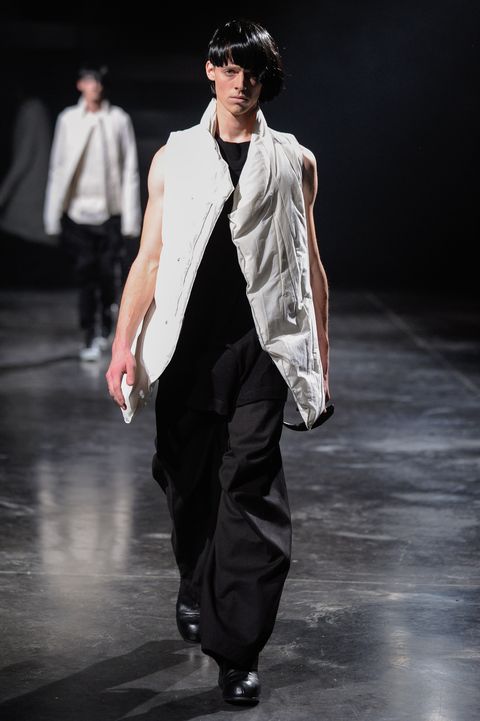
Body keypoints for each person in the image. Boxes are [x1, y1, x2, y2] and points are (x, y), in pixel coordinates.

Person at [106, 19, 330, 706]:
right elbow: (149, 258)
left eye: (252, 71)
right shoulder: (174, 157)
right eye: (229, 68)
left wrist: (320, 357)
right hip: (186, 349)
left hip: (262, 347)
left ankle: (238, 650)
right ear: (210, 70)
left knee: (251, 488)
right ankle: (196, 578)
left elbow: (309, 264)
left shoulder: (294, 160)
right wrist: (122, 343)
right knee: (188, 483)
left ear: (266, 79)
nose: (240, 83)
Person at [44, 64, 141, 361]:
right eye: (89, 81)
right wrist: (52, 214)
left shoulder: (118, 119)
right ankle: (90, 333)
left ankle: (106, 326)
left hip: (109, 214)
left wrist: (130, 218)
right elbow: (58, 166)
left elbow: (130, 168)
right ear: (80, 85)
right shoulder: (68, 120)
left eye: (98, 81)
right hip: (78, 215)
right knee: (86, 275)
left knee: (107, 274)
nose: (94, 86)